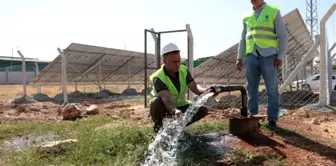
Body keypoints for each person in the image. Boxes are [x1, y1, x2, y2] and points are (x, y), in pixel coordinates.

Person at [236, 0, 288, 131]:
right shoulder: (247, 16)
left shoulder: (273, 11)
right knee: (251, 88)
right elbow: (243, 38)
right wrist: (239, 57)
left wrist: (280, 56)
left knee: (272, 89)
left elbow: (283, 35)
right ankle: (253, 116)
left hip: (269, 55)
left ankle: (272, 120)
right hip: (251, 55)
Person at [149, 43, 211, 133]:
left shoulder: (184, 70)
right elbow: (166, 99)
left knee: (202, 110)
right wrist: (175, 111)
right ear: (165, 62)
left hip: (181, 107)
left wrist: (207, 91)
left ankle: (177, 128)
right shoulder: (158, 77)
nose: (177, 64)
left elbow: (196, 89)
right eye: (174, 62)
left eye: (179, 61)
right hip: (166, 109)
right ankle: (159, 129)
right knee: (156, 102)